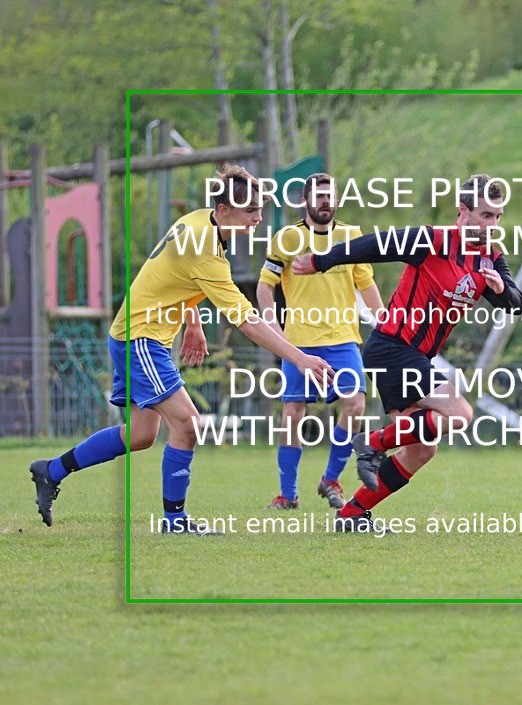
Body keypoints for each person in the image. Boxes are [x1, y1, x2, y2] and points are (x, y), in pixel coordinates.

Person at [28, 164, 331, 533]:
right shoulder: (207, 248)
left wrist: (193, 321)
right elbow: (246, 320)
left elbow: (173, 276)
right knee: (188, 424)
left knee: (140, 436)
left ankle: (51, 470)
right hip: (141, 338)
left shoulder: (200, 221)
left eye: (259, 209)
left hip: (137, 333)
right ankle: (175, 521)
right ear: (224, 210)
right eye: (251, 210)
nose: (258, 217)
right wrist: (299, 357)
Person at [293, 174, 522, 531]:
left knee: (421, 449)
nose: (493, 224)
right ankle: (370, 444)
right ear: (462, 212)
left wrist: (501, 288)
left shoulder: (490, 257)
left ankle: (352, 514)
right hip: (393, 348)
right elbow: (374, 245)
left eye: (498, 216)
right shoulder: (431, 241)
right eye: (486, 215)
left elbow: (515, 304)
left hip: (414, 357)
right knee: (459, 413)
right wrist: (323, 261)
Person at [256, 172, 384, 511]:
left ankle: (330, 478)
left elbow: (366, 284)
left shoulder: (351, 236)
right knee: (293, 412)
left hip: (343, 340)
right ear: (305, 200)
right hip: (298, 342)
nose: (326, 201)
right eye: (320, 195)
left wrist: (383, 320)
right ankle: (288, 494)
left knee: (355, 404)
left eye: (331, 195)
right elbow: (264, 286)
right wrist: (273, 327)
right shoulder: (286, 238)